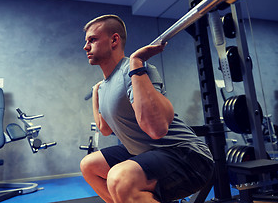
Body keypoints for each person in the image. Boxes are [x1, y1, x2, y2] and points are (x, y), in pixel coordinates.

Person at [80, 14, 214, 203]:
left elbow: (156, 129)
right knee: (89, 165)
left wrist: (136, 63)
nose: (86, 47)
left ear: (114, 40)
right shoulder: (104, 86)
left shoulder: (135, 70)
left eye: (92, 40)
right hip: (147, 152)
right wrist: (97, 93)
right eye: (87, 41)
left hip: (188, 156)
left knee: (119, 178)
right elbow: (105, 129)